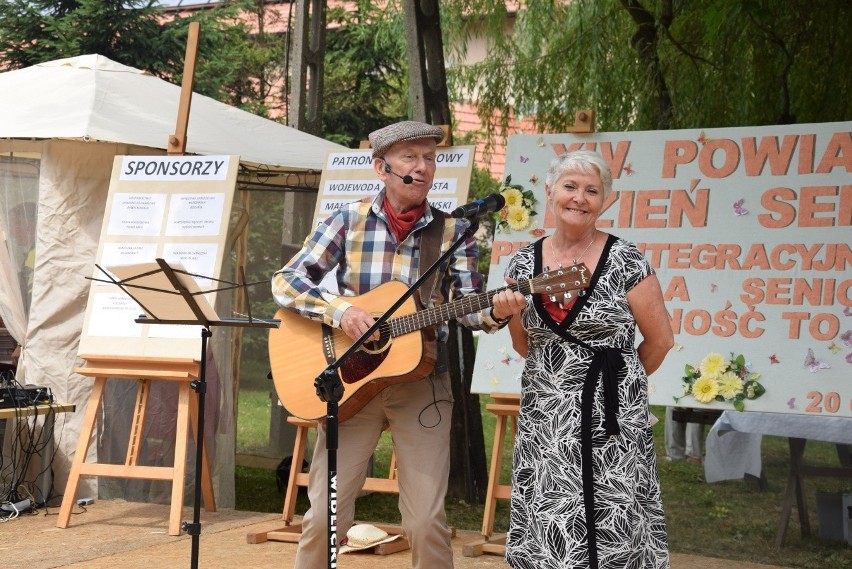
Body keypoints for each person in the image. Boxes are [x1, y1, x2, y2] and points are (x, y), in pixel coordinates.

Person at [271, 120, 521, 569]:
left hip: (422, 384)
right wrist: (341, 312)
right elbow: (286, 281)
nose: (423, 167)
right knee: (325, 515)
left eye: (431, 158)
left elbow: (467, 306)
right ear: (381, 167)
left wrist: (499, 309)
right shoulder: (347, 219)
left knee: (425, 520)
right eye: (411, 157)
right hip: (348, 382)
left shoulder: (451, 232)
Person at [491, 150, 674, 569]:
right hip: (546, 418)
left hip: (611, 417)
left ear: (606, 200)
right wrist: (508, 312)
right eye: (571, 186)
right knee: (550, 517)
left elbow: (661, 340)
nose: (580, 197)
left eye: (592, 190)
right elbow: (525, 346)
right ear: (551, 191)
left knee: (614, 519)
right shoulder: (522, 262)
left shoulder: (627, 260)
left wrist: (619, 383)